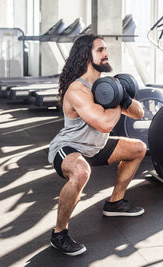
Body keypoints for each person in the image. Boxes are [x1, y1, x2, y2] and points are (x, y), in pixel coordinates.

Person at [47, 34, 146, 256]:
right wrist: (118, 100)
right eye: (100, 50)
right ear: (86, 56)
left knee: (138, 148)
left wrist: (123, 97)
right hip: (69, 148)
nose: (106, 54)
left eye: (105, 50)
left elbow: (139, 113)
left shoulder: (107, 86)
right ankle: (59, 233)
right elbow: (102, 124)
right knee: (81, 172)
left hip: (95, 147)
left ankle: (115, 203)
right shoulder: (77, 90)